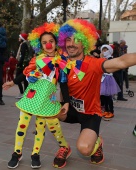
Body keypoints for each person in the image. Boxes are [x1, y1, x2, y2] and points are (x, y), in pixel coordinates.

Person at [52, 19, 136, 165]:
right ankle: (64, 146)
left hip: (90, 113)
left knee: (84, 149)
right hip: (69, 109)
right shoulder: (61, 63)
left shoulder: (94, 64)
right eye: (68, 39)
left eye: (76, 40)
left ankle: (97, 142)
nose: (71, 44)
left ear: (84, 42)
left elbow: (122, 62)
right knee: (45, 110)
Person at [3, 22, 71, 169]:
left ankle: (35, 154)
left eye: (51, 42)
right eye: (44, 42)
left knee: (40, 127)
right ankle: (17, 153)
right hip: (31, 97)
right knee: (22, 125)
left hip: (47, 99)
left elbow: (64, 84)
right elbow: (26, 72)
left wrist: (66, 101)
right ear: (40, 45)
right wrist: (13, 82)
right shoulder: (37, 59)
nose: (48, 45)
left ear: (57, 42)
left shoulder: (61, 61)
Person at [100, 44, 120, 120]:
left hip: (108, 79)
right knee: (103, 96)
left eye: (106, 50)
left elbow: (107, 68)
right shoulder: (103, 58)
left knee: (109, 97)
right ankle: (106, 110)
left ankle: (111, 111)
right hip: (102, 79)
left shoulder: (110, 59)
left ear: (109, 51)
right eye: (103, 50)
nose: (104, 51)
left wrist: (101, 59)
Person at [15, 33, 29, 99]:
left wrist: (19, 63)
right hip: (25, 64)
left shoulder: (23, 45)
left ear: (22, 38)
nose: (18, 38)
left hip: (22, 64)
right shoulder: (25, 44)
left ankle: (21, 92)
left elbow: (22, 55)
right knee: (25, 79)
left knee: (17, 78)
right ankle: (25, 93)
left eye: (19, 37)